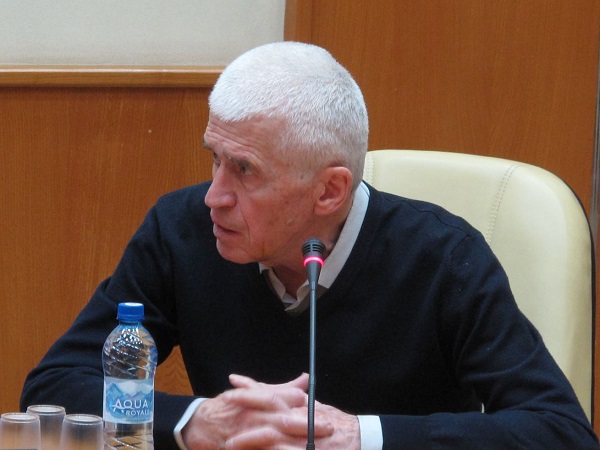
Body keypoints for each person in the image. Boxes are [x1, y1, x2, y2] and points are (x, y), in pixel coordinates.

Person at [21, 41, 598, 449]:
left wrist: (359, 436)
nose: (214, 196)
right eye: (214, 159)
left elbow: (559, 431)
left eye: (244, 170)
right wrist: (198, 421)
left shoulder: (444, 259)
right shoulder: (181, 231)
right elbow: (53, 388)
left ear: (329, 191)